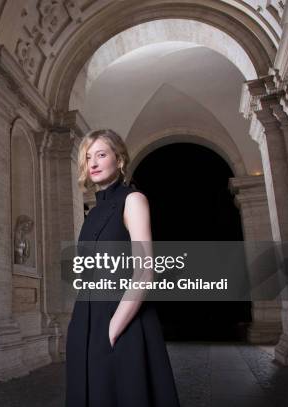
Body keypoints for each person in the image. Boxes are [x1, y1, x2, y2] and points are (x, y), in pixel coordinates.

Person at [65, 129, 180, 406]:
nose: (92, 163)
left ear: (119, 160)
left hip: (123, 320)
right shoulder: (92, 212)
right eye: (88, 157)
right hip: (86, 322)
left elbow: (145, 271)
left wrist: (112, 329)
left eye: (101, 155)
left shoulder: (133, 200)